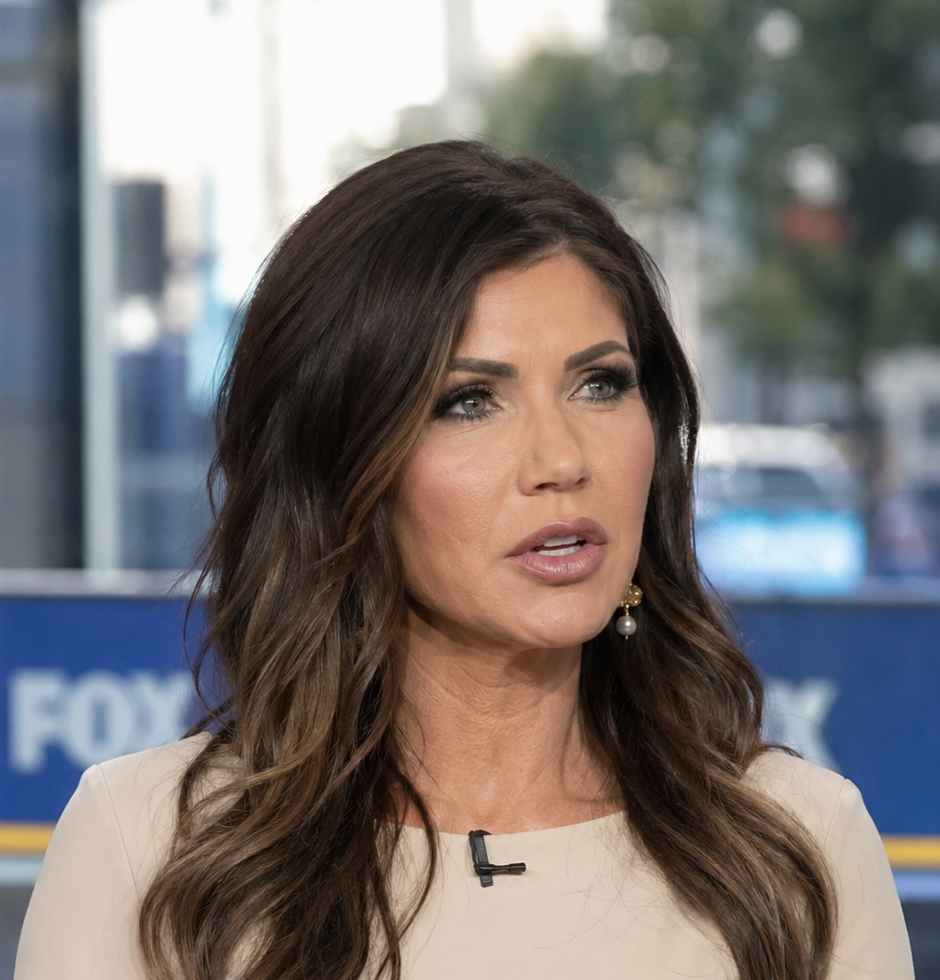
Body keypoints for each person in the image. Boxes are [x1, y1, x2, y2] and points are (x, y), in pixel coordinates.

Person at [15, 141, 912, 980]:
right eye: (470, 401)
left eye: (600, 384)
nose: (562, 460)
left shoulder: (798, 849)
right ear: (340, 462)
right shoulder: (150, 851)